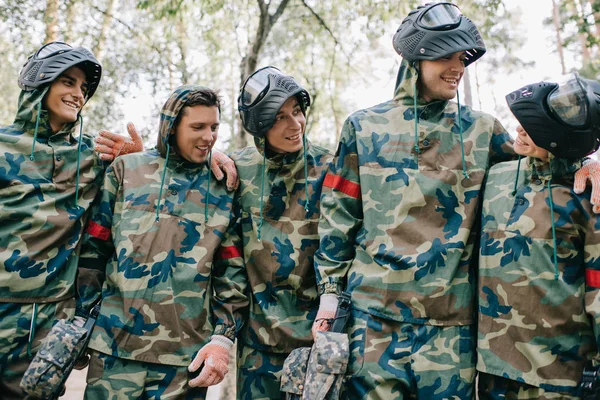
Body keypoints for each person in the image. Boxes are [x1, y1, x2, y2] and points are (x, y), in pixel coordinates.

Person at [76, 85, 248, 399]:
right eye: (197, 127)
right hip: (114, 351)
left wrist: (222, 340)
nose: (208, 137)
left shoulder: (223, 187)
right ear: (171, 127)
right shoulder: (126, 170)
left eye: (214, 127)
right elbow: (94, 251)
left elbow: (231, 273)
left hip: (186, 361)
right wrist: (81, 321)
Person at [477, 74, 600, 399]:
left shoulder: (588, 194)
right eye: (520, 120)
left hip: (560, 379)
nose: (518, 129)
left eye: (531, 127)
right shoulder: (496, 176)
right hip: (494, 373)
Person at [0, 41, 107, 399]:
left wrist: (221, 160)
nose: (78, 94)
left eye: (83, 88)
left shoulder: (92, 156)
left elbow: (163, 165)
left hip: (44, 327)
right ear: (41, 82)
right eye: (68, 82)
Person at [220, 66, 334, 398]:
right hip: (257, 345)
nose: (295, 124)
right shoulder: (236, 168)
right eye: (280, 117)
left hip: (320, 341)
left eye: (297, 112)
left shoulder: (331, 167)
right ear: (260, 124)